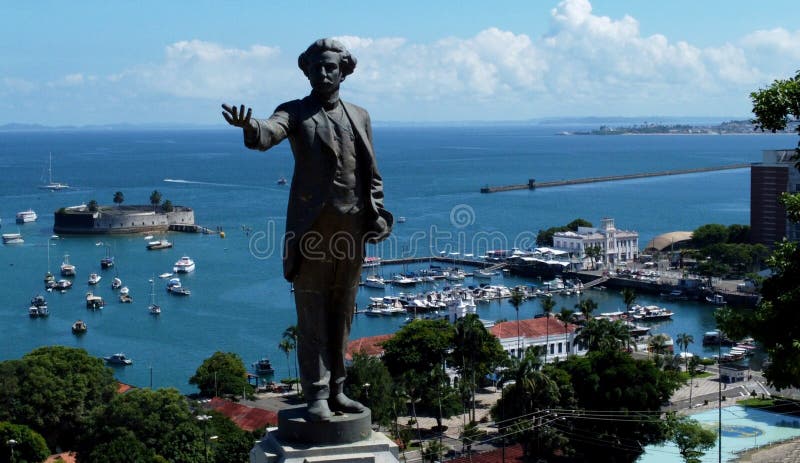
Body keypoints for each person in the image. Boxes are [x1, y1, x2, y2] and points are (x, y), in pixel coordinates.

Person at [222, 38, 392, 421]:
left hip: (351, 232)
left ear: (344, 71)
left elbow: (371, 173)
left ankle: (337, 390)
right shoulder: (295, 112)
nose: (324, 73)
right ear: (306, 71)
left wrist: (376, 211)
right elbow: (269, 132)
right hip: (312, 233)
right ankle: (316, 394)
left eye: (331, 67)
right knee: (312, 314)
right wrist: (250, 126)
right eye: (316, 67)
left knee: (342, 313)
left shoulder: (360, 116)